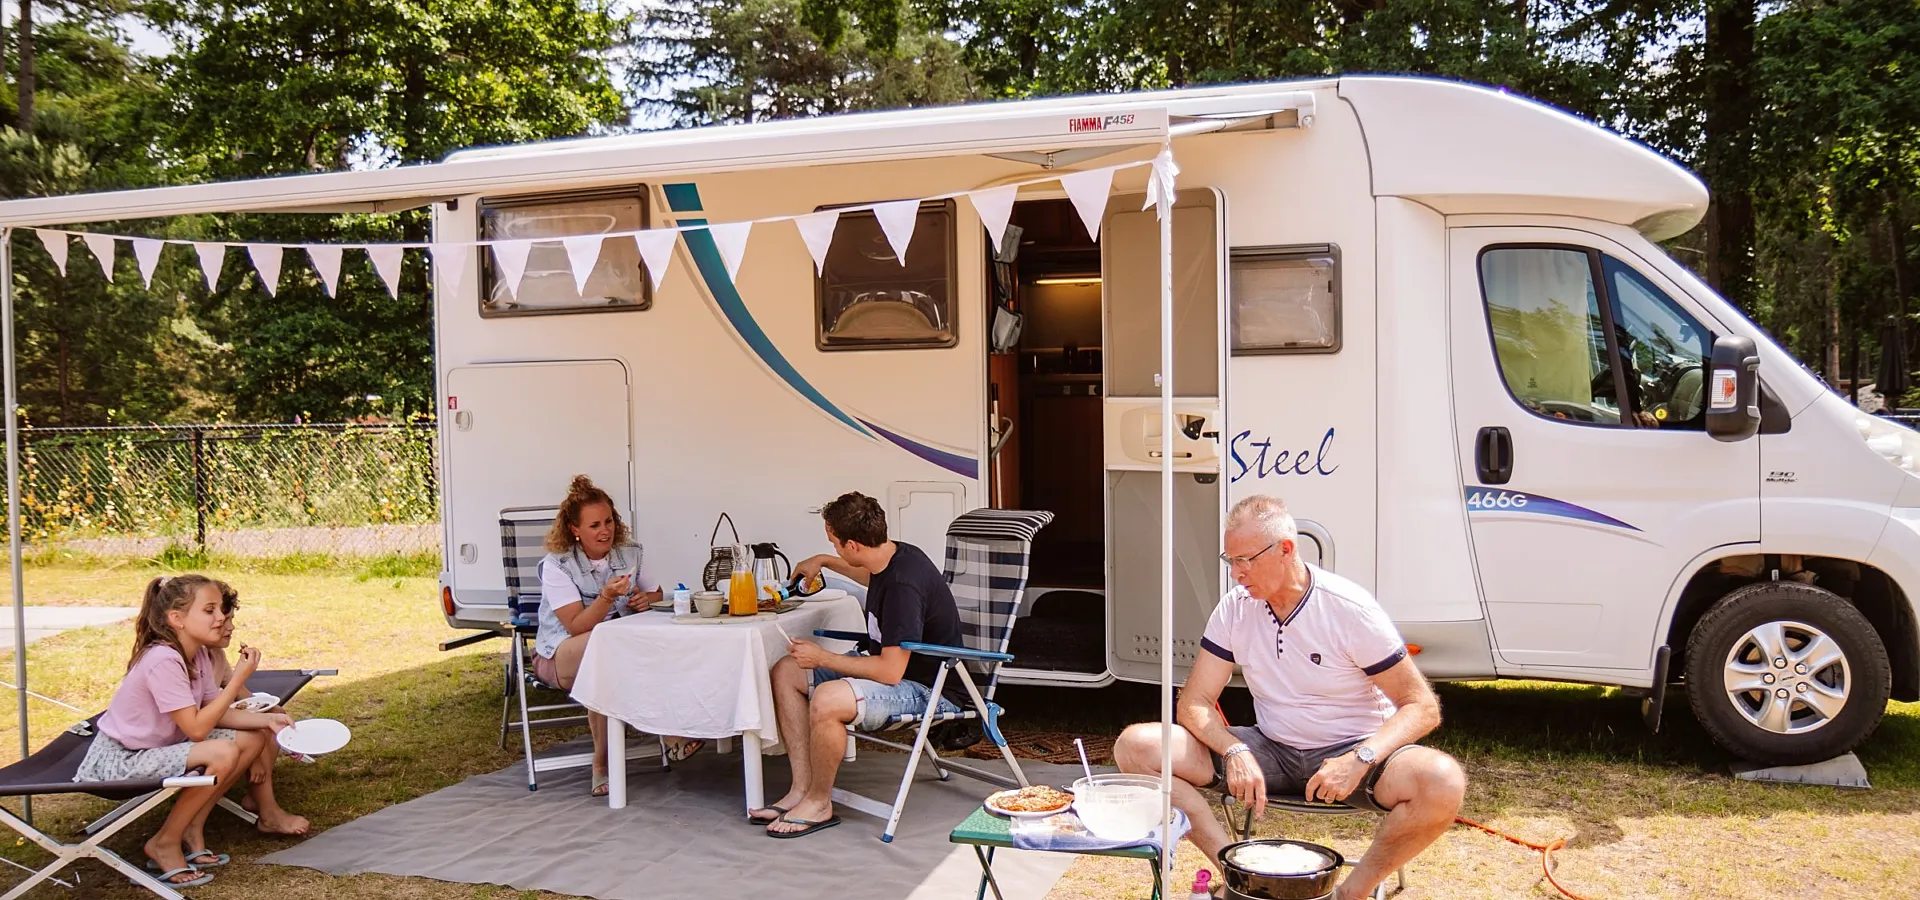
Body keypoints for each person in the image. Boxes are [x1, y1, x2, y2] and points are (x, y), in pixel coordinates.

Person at [1113, 495, 1467, 900]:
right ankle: (1237, 877)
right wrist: (1233, 751)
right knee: (1137, 746)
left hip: (1355, 752)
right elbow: (1193, 702)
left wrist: (1360, 758)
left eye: (1247, 560)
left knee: (1442, 780)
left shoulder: (1348, 609)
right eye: (1231, 561)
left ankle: (1350, 894)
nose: (1237, 574)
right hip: (1271, 748)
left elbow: (1422, 706)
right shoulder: (1236, 608)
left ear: (1286, 549)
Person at [751, 491, 965, 838]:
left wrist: (822, 658)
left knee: (827, 698)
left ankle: (820, 803)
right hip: (895, 672)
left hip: (928, 688)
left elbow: (890, 672)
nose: (834, 548)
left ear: (853, 545)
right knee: (787, 671)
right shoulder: (891, 555)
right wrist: (822, 560)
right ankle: (801, 790)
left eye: (833, 543)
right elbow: (867, 576)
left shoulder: (902, 587)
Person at [74, 574, 296, 889]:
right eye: (210, 611)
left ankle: (193, 827)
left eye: (221, 609)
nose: (221, 617)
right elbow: (196, 728)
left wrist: (269, 722)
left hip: (156, 749)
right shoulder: (163, 659)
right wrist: (237, 679)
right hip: (120, 761)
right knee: (222, 750)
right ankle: (165, 842)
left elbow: (217, 713)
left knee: (252, 738)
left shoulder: (199, 655)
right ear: (176, 618)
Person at [533, 474, 700, 797]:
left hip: (615, 649)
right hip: (560, 654)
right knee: (604, 650)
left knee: (617, 657)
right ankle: (655, 742)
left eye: (608, 521)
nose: (605, 530)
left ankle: (610, 763)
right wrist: (607, 598)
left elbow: (657, 594)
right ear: (575, 530)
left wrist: (644, 600)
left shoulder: (630, 553)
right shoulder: (558, 565)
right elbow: (576, 626)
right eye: (594, 525)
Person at [205, 583, 310, 836]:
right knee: (260, 730)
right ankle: (269, 812)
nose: (230, 627)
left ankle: (258, 794)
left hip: (209, 720)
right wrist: (257, 754)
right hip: (194, 730)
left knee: (272, 715)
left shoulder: (215, 654)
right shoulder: (187, 661)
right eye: (223, 620)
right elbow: (204, 716)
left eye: (230, 619)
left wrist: (271, 709)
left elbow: (240, 694)